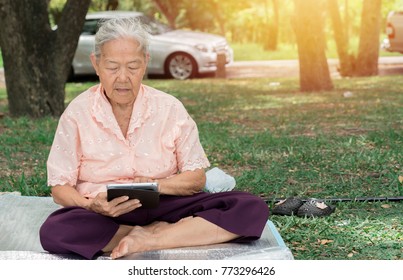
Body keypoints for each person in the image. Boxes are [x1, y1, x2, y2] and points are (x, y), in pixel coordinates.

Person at [39, 17, 269, 260]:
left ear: (146, 63)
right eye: (113, 67)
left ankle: (152, 237)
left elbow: (196, 177)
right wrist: (91, 206)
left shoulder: (170, 108)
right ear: (96, 64)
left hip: (166, 203)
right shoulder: (77, 112)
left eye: (133, 66)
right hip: (105, 212)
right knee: (55, 231)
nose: (123, 77)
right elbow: (59, 188)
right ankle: (163, 233)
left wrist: (156, 186)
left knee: (250, 208)